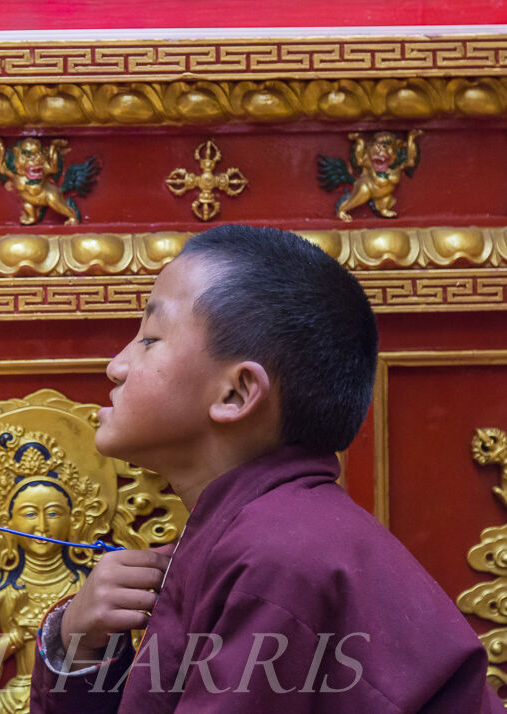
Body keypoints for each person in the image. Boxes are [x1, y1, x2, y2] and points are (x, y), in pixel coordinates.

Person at [30, 225, 501, 713]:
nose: (116, 366)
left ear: (235, 394)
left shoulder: (282, 556)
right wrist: (77, 643)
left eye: (149, 338)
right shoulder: (254, 532)